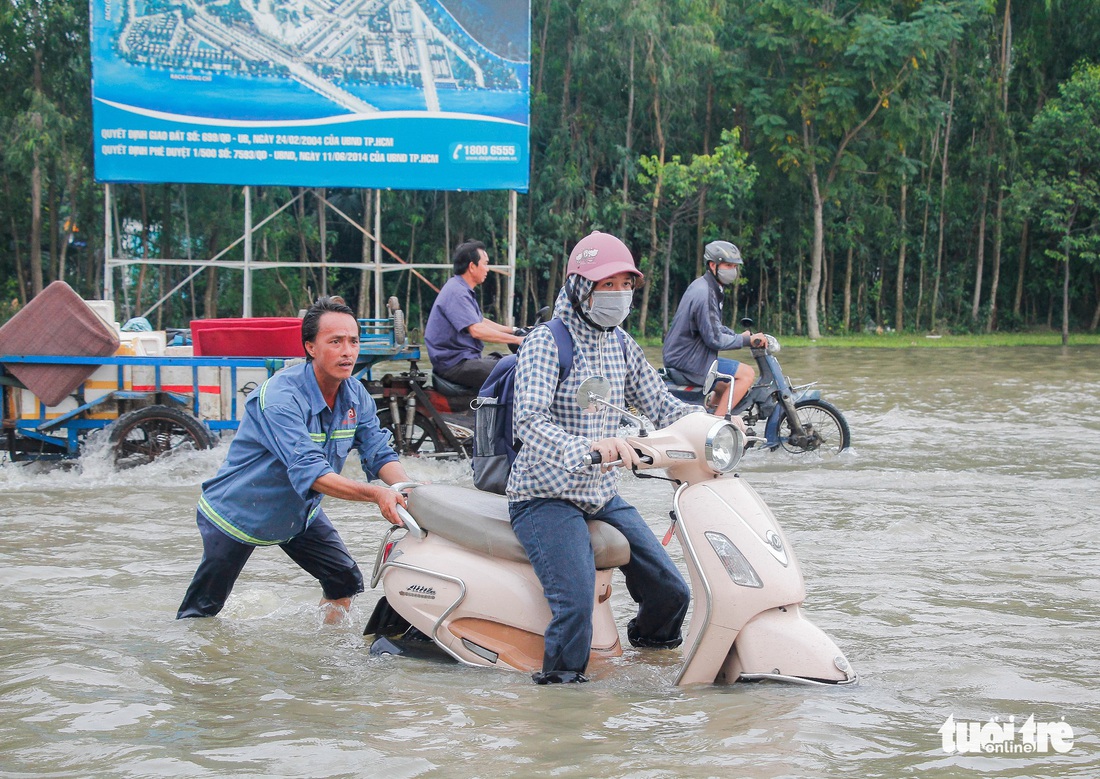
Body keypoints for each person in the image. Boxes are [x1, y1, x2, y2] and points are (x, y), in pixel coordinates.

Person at [507, 231, 698, 684]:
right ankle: (561, 697)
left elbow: (663, 405)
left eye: (625, 285)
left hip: (600, 493)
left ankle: (648, 665)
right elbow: (528, 422)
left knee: (672, 591)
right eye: (605, 285)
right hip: (544, 495)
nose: (617, 295)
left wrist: (714, 427)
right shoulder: (546, 342)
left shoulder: (622, 344)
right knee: (574, 608)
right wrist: (586, 448)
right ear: (579, 287)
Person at [177, 296, 412, 622]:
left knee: (344, 581)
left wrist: (408, 486)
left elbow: (379, 451)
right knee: (201, 614)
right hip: (238, 511)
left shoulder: (355, 394)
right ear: (310, 347)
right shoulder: (281, 397)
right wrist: (377, 494)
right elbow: (312, 473)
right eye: (335, 342)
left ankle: (325, 657)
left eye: (354, 341)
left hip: (297, 513)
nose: (348, 351)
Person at [662, 240, 767, 416]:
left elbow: (712, 326)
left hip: (683, 356)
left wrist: (737, 335)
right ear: (713, 265)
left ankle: (710, 414)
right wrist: (746, 340)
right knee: (747, 374)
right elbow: (714, 339)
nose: (732, 270)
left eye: (734, 266)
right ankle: (716, 427)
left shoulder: (706, 286)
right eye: (727, 265)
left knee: (726, 386)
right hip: (688, 360)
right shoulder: (705, 293)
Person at [424, 240, 524, 389]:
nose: (487, 269)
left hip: (463, 360)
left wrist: (514, 330)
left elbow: (480, 322)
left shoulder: (461, 289)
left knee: (512, 360)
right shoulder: (457, 292)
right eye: (485, 263)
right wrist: (516, 340)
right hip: (454, 365)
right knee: (516, 370)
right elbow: (477, 330)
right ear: (472, 266)